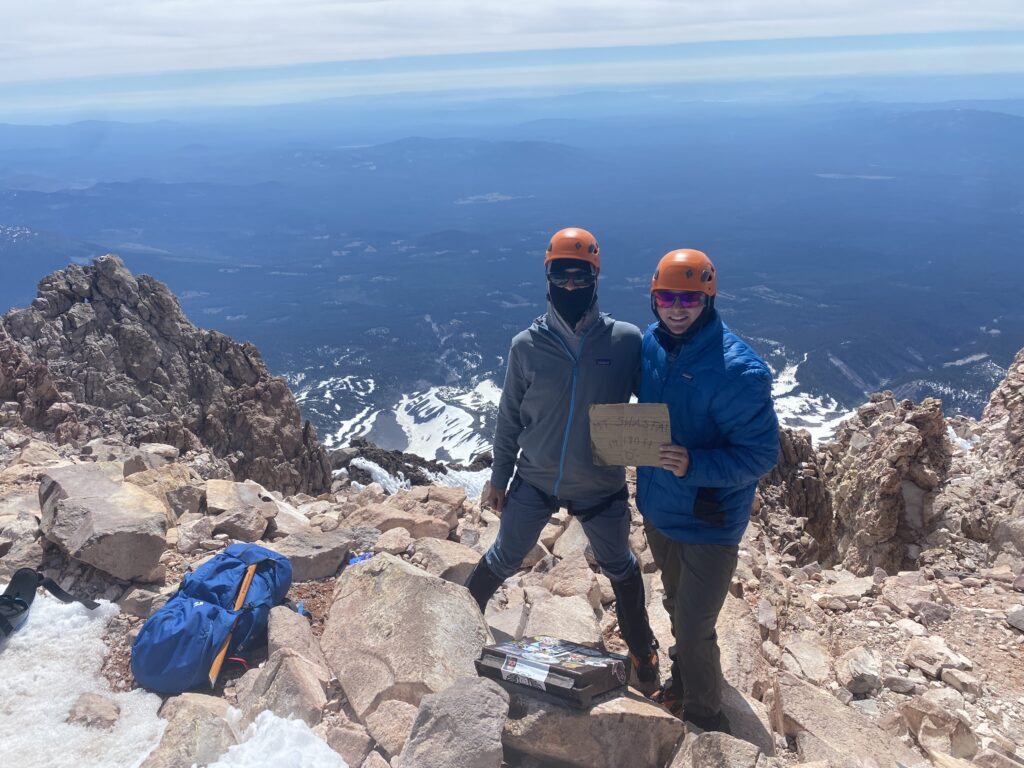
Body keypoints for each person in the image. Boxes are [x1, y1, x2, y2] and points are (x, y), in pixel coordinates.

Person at [465, 226, 660, 690]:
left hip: (600, 484)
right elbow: (509, 416)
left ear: (595, 278)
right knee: (504, 556)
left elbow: (657, 403)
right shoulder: (526, 346)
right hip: (535, 479)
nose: (571, 286)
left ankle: (643, 654)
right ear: (548, 278)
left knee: (620, 568)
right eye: (561, 276)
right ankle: (456, 624)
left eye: (580, 277)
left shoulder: (625, 341)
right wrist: (499, 478)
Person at [636, 248, 779, 733]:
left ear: (709, 299)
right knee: (677, 606)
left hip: (709, 521)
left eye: (689, 298)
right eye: (666, 297)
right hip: (660, 509)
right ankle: (683, 681)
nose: (677, 308)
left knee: (696, 626)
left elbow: (761, 455)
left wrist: (694, 464)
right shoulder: (651, 345)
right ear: (654, 298)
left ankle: (706, 720)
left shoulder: (739, 370)